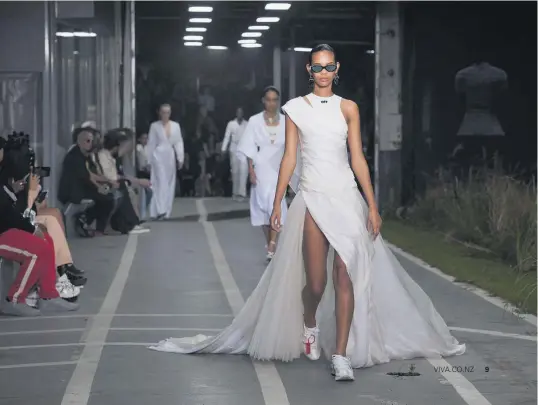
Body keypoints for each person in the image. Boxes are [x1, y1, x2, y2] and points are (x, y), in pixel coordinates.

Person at [148, 44, 466, 381]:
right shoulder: (295, 109)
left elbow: (357, 158)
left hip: (346, 198)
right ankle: (310, 322)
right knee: (315, 284)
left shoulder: (349, 108)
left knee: (346, 274)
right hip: (312, 197)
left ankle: (341, 355)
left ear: (337, 68)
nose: (324, 73)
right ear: (308, 70)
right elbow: (289, 158)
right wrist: (276, 204)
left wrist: (373, 205)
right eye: (318, 67)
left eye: (329, 67)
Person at [0, 160, 79, 315]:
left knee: (46, 241)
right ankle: (14, 300)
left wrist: (12, 191)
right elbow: (6, 213)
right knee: (37, 251)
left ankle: (48, 296)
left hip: (5, 229)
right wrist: (31, 228)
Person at [236, 86, 288, 261]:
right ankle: (270, 243)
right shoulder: (254, 121)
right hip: (261, 165)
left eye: (275, 100)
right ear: (263, 101)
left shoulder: (287, 121)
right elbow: (248, 146)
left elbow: (291, 147)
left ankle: (272, 245)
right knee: (262, 209)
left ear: (278, 101)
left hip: (279, 167)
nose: (271, 103)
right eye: (268, 99)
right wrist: (251, 169)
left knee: (276, 204)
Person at [58, 128, 115, 236]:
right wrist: (99, 188)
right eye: (87, 141)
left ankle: (87, 221)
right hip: (72, 192)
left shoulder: (84, 155)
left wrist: (105, 183)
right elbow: (85, 177)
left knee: (108, 196)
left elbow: (89, 175)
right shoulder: (74, 157)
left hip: (81, 188)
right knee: (107, 199)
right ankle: (91, 225)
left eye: (91, 141)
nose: (90, 144)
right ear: (79, 142)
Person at [147, 103, 184, 220]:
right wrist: (148, 160)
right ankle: (160, 210)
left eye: (167, 112)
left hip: (170, 156)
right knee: (160, 181)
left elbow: (179, 142)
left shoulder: (175, 126)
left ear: (170, 113)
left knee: (169, 183)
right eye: (163, 112)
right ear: (159, 113)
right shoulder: (154, 126)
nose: (165, 115)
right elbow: (151, 143)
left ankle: (166, 211)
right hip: (158, 155)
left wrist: (180, 158)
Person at [221, 107, 248, 201]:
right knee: (235, 171)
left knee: (244, 170)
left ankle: (242, 193)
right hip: (234, 148)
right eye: (238, 112)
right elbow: (227, 137)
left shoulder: (247, 124)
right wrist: (223, 148)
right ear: (236, 114)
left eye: (241, 112)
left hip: (244, 148)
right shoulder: (231, 124)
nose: (239, 114)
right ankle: (235, 192)